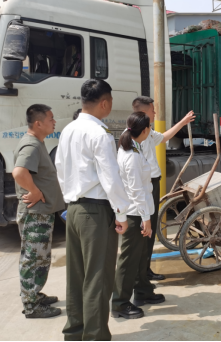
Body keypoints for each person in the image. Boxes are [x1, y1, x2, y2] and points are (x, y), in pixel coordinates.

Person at [56, 79, 131, 341]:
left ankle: (74, 333)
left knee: (76, 278)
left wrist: (70, 199)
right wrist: (121, 214)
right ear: (105, 103)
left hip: (74, 209)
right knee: (98, 280)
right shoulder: (100, 134)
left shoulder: (68, 130)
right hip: (96, 213)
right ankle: (96, 336)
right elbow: (111, 178)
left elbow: (61, 169)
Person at [131, 97, 195, 286]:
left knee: (149, 227)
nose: (155, 113)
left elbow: (164, 137)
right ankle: (140, 274)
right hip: (146, 184)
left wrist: (183, 122)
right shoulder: (137, 137)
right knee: (145, 228)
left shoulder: (148, 132)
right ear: (143, 111)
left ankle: (145, 269)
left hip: (152, 182)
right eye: (152, 110)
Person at [13, 104, 66, 319]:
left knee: (41, 258)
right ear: (38, 123)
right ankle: (32, 306)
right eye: (51, 119)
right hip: (35, 213)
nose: (54, 122)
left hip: (42, 213)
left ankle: (35, 295)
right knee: (33, 259)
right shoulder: (32, 145)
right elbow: (19, 172)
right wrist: (34, 191)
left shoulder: (37, 143)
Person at [112, 112, 165, 320]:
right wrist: (145, 219)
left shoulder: (132, 146)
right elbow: (136, 191)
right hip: (135, 214)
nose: (151, 131)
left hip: (140, 211)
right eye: (149, 128)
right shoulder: (132, 156)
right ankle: (119, 303)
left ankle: (142, 291)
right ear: (143, 131)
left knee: (141, 256)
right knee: (128, 259)